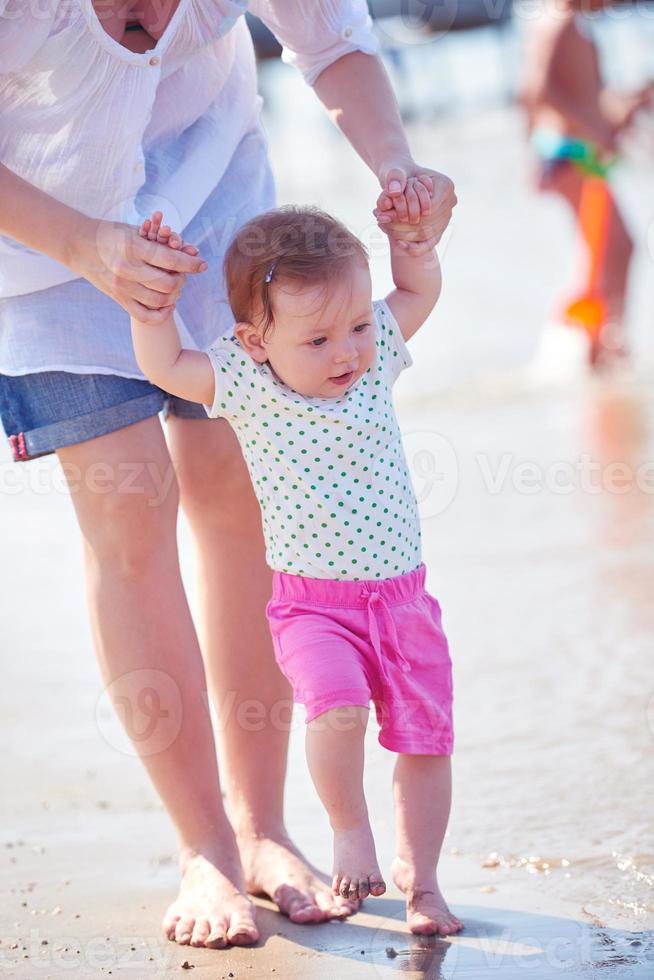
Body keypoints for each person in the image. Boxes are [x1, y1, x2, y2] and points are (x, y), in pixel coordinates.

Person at [0, 0, 456, 950]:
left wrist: (398, 170)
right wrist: (85, 244)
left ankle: (265, 829)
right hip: (41, 243)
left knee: (243, 504)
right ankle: (203, 846)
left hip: (225, 223)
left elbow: (336, 45)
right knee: (128, 524)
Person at [130, 199, 464, 939]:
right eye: (317, 338)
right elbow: (165, 365)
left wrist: (411, 243)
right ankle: (350, 835)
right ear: (255, 341)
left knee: (426, 741)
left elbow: (416, 294)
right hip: (314, 608)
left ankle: (425, 885)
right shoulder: (247, 387)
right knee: (337, 708)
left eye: (353, 327)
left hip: (405, 603)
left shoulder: (370, 357)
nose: (346, 351)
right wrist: (154, 304)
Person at [520, 0, 652, 365]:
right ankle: (603, 343)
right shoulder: (557, 20)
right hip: (569, 151)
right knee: (616, 248)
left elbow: (581, 96)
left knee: (607, 252)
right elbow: (536, 90)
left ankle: (602, 340)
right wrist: (595, 131)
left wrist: (629, 104)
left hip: (575, 149)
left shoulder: (569, 22)